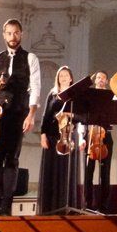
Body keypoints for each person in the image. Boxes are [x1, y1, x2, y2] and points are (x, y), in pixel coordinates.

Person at [0, 19, 41, 216]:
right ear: (3, 35)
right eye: (9, 33)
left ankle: (6, 206)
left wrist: (31, 115)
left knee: (12, 159)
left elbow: (36, 87)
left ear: (21, 34)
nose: (12, 37)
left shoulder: (30, 58)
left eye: (16, 33)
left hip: (18, 111)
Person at [37, 66, 80, 214]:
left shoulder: (75, 94)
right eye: (60, 75)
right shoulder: (52, 93)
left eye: (66, 75)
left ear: (71, 78)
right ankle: (50, 208)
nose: (63, 77)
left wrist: (71, 115)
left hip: (69, 135)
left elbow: (81, 115)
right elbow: (46, 115)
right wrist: (43, 134)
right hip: (52, 135)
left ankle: (68, 207)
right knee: (51, 170)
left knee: (66, 171)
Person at [78, 70, 115, 213]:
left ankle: (104, 205)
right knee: (89, 172)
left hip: (106, 136)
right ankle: (87, 204)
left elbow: (116, 112)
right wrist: (82, 137)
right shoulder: (89, 95)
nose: (100, 80)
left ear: (106, 81)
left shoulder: (112, 95)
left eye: (103, 78)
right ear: (95, 80)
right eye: (98, 77)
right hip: (90, 135)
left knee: (105, 172)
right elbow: (82, 118)